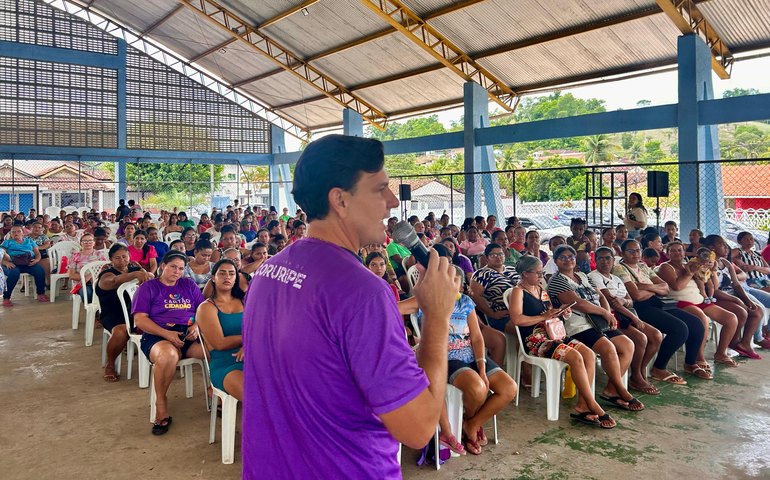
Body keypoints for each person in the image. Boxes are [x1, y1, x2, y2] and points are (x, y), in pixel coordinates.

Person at [241, 135, 460, 478]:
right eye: (379, 189)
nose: (391, 202)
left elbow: (345, 379)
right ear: (340, 200)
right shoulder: (363, 293)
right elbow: (417, 430)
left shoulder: (269, 271)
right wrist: (435, 317)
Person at [417, 265, 516, 453]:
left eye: (457, 282)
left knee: (509, 389)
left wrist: (481, 367)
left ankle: (471, 423)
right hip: (447, 359)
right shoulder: (429, 301)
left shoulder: (465, 302)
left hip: (471, 355)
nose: (453, 286)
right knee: (478, 390)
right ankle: (471, 424)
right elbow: (400, 308)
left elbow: (477, 338)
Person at [509, 255, 616, 428]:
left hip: (553, 333)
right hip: (535, 340)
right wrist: (542, 317)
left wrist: (560, 312)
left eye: (541, 272)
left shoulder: (541, 290)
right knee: (575, 357)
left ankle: (583, 404)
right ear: (524, 274)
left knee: (588, 354)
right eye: (537, 273)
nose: (541, 276)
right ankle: (592, 403)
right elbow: (517, 319)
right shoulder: (518, 292)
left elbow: (550, 311)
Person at [547, 245, 644, 412]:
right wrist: (605, 313)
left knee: (627, 345)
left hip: (598, 321)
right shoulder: (556, 281)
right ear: (556, 261)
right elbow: (578, 303)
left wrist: (607, 313)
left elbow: (599, 295)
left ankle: (611, 390)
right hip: (577, 325)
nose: (568, 259)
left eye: (571, 256)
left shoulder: (582, 276)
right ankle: (620, 390)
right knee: (608, 348)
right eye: (562, 257)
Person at [133, 250, 205, 435]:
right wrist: (167, 334)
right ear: (163, 266)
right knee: (168, 356)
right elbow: (140, 320)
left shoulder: (188, 285)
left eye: (181, 268)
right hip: (157, 335)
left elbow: (203, 310)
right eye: (173, 267)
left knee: (214, 350)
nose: (177, 272)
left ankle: (216, 392)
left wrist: (196, 325)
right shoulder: (148, 288)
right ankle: (161, 401)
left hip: (188, 335)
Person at [614, 239, 701, 383]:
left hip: (656, 303)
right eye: (631, 251)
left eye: (638, 250)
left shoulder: (643, 266)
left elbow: (665, 288)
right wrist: (654, 289)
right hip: (638, 308)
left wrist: (645, 287)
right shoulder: (620, 269)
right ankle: (659, 368)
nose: (635, 254)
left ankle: (690, 363)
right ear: (623, 253)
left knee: (696, 323)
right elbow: (635, 296)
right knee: (679, 329)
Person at [590, 247, 662, 395]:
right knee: (641, 338)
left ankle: (640, 370)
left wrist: (624, 302)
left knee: (655, 335)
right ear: (595, 261)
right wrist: (633, 316)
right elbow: (611, 301)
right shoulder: (594, 276)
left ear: (613, 260)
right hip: (609, 317)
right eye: (600, 258)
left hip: (626, 315)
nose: (604, 261)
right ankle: (635, 376)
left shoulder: (616, 278)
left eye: (608, 258)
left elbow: (630, 301)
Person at [657, 241, 740, 369]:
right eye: (672, 251)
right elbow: (677, 286)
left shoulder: (688, 264)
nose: (677, 253)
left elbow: (714, 285)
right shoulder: (665, 267)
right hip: (680, 302)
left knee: (731, 318)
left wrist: (712, 270)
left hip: (699, 300)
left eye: (679, 250)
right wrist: (690, 273)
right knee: (702, 318)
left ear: (684, 253)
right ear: (667, 254)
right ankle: (699, 356)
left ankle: (721, 353)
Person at [96, 244, 154, 381]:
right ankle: (110, 365)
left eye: (124, 256)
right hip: (113, 313)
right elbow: (112, 282)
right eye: (117, 258)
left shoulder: (136, 268)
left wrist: (145, 273)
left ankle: (163, 356)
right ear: (111, 260)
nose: (122, 260)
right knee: (121, 331)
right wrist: (135, 274)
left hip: (136, 312)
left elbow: (151, 277)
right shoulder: (107, 274)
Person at [703, 235, 762, 360]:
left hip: (730, 295)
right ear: (711, 248)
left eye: (725, 244)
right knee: (741, 312)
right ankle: (729, 345)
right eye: (721, 244)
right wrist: (736, 300)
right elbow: (713, 290)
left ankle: (744, 343)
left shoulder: (726, 263)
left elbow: (736, 284)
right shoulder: (707, 263)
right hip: (716, 297)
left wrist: (747, 300)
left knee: (757, 311)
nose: (726, 247)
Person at [197, 259, 245, 400]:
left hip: (253, 357)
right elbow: (220, 343)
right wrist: (248, 340)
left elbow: (262, 331)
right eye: (222, 273)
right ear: (213, 278)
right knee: (256, 399)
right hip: (225, 364)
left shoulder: (245, 301)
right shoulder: (206, 308)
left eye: (231, 273)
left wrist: (249, 346)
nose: (227, 277)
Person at [469, 243, 520, 332]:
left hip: (522, 311)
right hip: (502, 315)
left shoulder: (512, 269)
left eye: (501, 254)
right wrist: (492, 314)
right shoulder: (481, 274)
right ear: (487, 257)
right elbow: (475, 296)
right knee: (528, 330)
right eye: (494, 255)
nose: (498, 257)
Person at [1, 225, 48, 305]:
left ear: (23, 233)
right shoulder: (7, 242)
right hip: (12, 263)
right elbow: (0, 254)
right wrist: (6, 263)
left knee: (40, 271)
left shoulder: (29, 241)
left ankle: (40, 293)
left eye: (18, 231)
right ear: (11, 234)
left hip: (28, 262)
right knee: (14, 274)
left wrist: (36, 260)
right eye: (13, 232)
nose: (16, 233)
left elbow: (37, 254)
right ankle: (6, 297)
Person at [68, 233, 108, 303]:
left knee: (107, 292)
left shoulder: (99, 255)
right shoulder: (75, 256)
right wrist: (85, 278)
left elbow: (104, 269)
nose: (88, 243)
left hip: (98, 282)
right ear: (81, 243)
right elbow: (72, 275)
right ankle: (92, 312)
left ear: (94, 243)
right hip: (82, 283)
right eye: (85, 241)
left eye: (90, 241)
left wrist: (90, 276)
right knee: (88, 293)